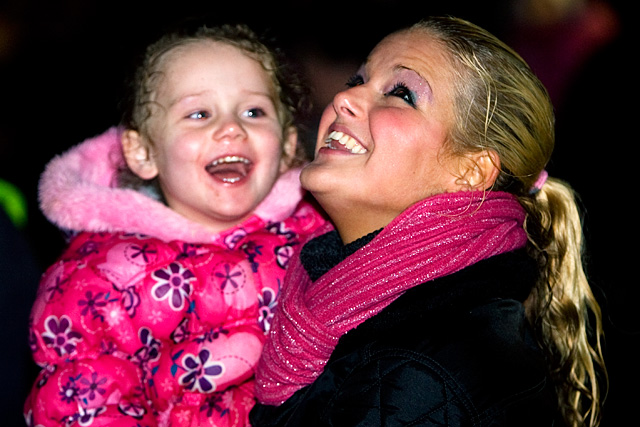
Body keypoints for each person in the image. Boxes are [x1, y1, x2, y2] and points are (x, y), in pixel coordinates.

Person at [251, 16, 607, 427]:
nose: (344, 100)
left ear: (470, 171)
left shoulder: (420, 377)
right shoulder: (311, 282)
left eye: (401, 93)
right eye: (356, 80)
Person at [24, 24, 325, 426]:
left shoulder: (317, 232)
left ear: (288, 144)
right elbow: (81, 402)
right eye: (199, 114)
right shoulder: (100, 276)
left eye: (254, 111)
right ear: (143, 152)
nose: (232, 127)